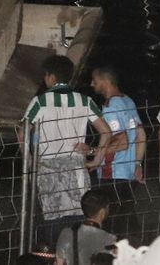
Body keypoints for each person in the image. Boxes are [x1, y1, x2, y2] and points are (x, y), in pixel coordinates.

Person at [21, 56, 112, 249]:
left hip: (47, 168)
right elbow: (106, 131)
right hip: (76, 168)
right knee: (79, 220)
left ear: (50, 77)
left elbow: (23, 133)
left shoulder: (40, 101)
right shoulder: (84, 101)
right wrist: (96, 159)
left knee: (52, 221)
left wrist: (29, 159)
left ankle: (56, 257)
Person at [88, 67, 143, 196]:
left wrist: (93, 152)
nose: (91, 84)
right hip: (129, 173)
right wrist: (137, 164)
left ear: (105, 81)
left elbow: (122, 142)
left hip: (112, 173)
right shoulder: (128, 101)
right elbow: (141, 136)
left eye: (94, 80)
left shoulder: (110, 106)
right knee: (125, 214)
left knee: (108, 214)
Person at [53, 188, 117, 265]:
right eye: (107, 207)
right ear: (102, 212)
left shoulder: (66, 233)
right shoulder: (108, 239)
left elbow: (58, 263)